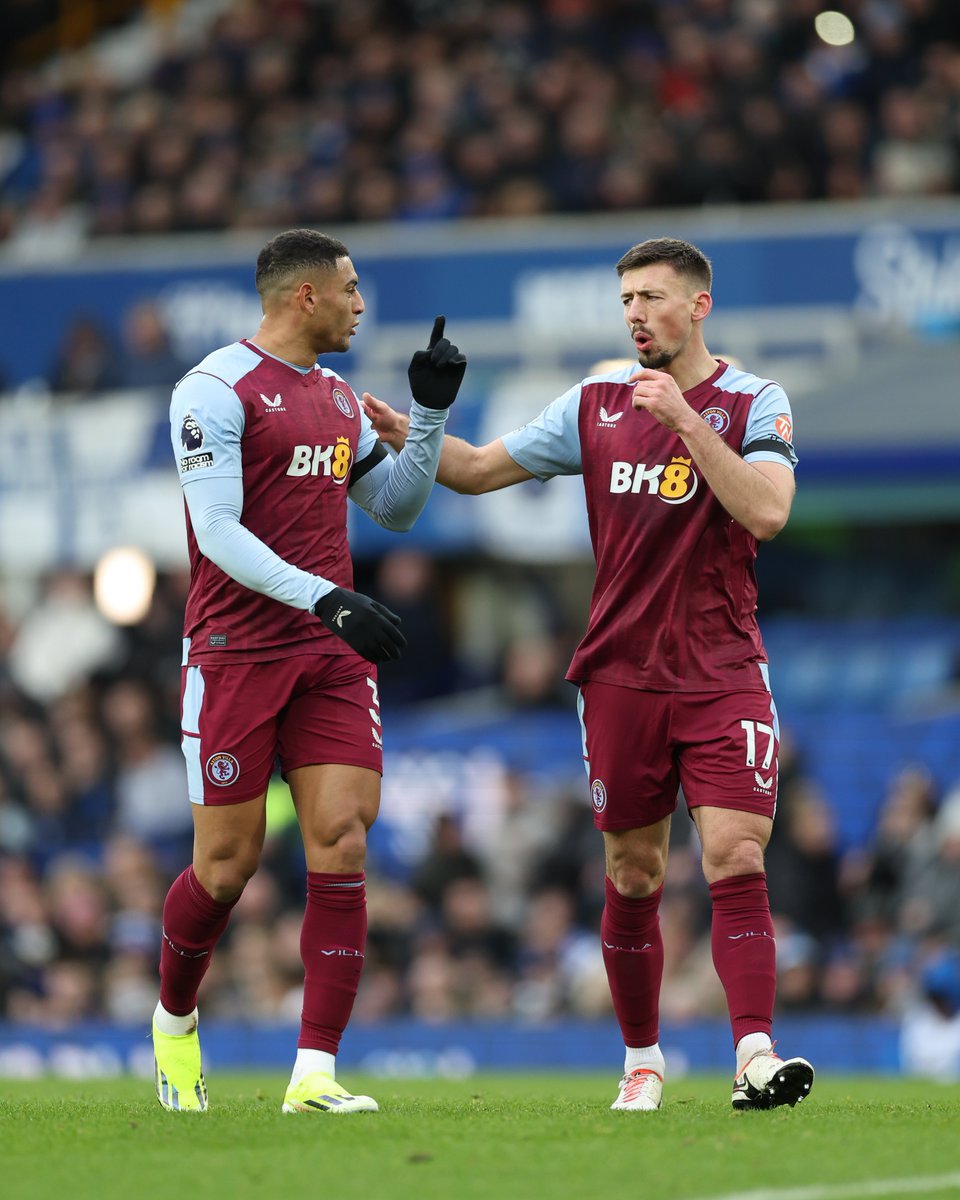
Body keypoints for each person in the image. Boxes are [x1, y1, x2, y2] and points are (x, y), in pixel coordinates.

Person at [364, 236, 814, 1112]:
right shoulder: (594, 402)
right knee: (635, 874)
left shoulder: (756, 400)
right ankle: (642, 1061)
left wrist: (685, 420)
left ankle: (754, 1054)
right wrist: (417, 427)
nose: (637, 315)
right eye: (627, 302)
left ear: (699, 305)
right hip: (618, 675)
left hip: (723, 670)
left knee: (735, 853)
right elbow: (477, 470)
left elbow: (766, 510)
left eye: (651, 297)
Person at [154, 228, 466, 1115]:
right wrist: (326, 597)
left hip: (328, 657)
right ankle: (174, 1022)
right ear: (305, 297)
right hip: (237, 653)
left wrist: (431, 413)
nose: (362, 304)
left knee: (343, 840)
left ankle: (314, 1074)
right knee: (226, 867)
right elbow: (216, 532)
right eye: (352, 289)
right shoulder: (213, 390)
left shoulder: (337, 398)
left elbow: (398, 508)